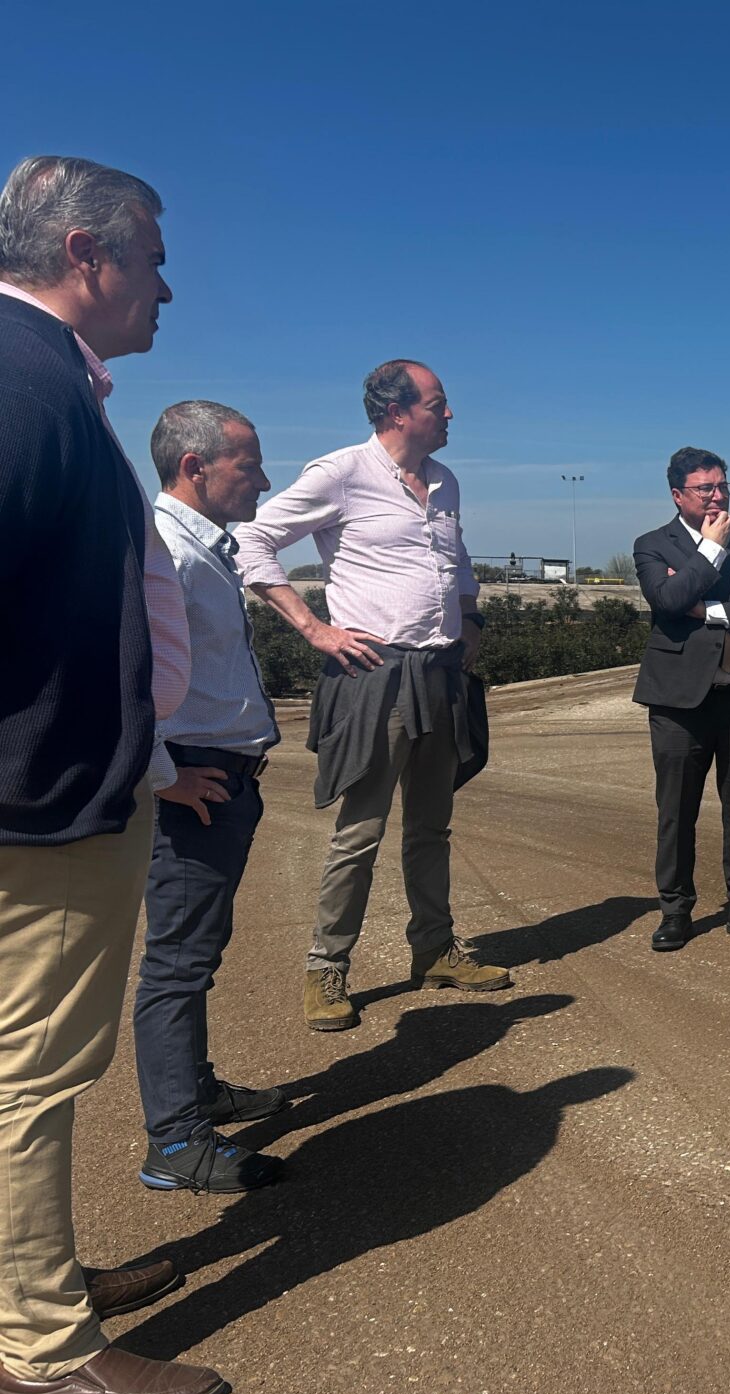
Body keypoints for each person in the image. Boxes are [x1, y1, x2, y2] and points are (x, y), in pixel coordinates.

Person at [0, 154, 229, 1394]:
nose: (166, 287)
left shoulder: (40, 381)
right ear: (86, 255)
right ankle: (34, 1350)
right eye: (149, 258)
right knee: (29, 1076)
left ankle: (21, 1285)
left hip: (49, 791)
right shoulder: (23, 383)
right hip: (34, 809)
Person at [234, 360, 509, 1031]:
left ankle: (435, 950)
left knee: (431, 826)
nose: (450, 416)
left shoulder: (445, 483)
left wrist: (469, 618)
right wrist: (313, 628)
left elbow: (459, 560)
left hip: (440, 674)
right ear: (396, 412)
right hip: (375, 676)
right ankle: (326, 968)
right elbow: (252, 540)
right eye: (439, 404)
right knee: (359, 832)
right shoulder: (342, 472)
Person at [136, 401, 288, 1193]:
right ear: (196, 467)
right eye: (248, 465)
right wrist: (164, 771)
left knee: (199, 950)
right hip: (195, 778)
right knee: (178, 960)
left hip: (222, 774)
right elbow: (120, 665)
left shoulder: (205, 550)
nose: (262, 480)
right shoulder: (166, 548)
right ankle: (175, 1143)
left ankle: (192, 1092)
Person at [632, 448, 730, 951]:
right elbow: (669, 601)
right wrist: (710, 552)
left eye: (723, 486)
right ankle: (675, 910)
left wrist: (710, 609)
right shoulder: (652, 545)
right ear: (678, 494)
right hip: (679, 702)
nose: (718, 496)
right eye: (706, 489)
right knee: (676, 810)